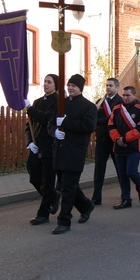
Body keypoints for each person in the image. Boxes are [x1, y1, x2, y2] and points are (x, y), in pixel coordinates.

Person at [51, 74, 97, 235]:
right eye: (69, 85)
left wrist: (66, 123)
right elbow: (51, 123)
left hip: (75, 152)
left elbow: (88, 126)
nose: (70, 88)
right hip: (60, 151)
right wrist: (55, 132)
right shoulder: (61, 105)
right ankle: (86, 206)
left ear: (80, 88)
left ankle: (64, 220)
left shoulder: (88, 107)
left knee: (68, 188)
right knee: (66, 185)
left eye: (74, 86)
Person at [25, 73, 60, 225]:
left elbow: (46, 120)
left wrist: (29, 109)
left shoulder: (58, 102)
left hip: (50, 146)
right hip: (36, 145)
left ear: (55, 85)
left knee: (48, 180)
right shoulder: (38, 102)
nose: (45, 84)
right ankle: (53, 197)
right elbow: (29, 125)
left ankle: (43, 213)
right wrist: (29, 142)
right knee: (33, 174)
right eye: (44, 81)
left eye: (49, 82)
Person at [110, 86, 140, 210]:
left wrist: (125, 139)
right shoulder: (116, 108)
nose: (125, 97)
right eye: (124, 95)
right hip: (119, 148)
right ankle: (126, 199)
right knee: (122, 175)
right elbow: (111, 126)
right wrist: (117, 139)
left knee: (131, 171)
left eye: (128, 95)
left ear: (134, 95)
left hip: (134, 147)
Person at [91, 77, 123, 205]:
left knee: (120, 169)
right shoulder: (100, 101)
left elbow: (113, 119)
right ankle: (96, 197)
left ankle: (125, 194)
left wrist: (97, 122)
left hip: (114, 141)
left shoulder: (120, 102)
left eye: (110, 85)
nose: (108, 87)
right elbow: (93, 114)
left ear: (117, 87)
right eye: (107, 85)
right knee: (99, 170)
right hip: (102, 140)